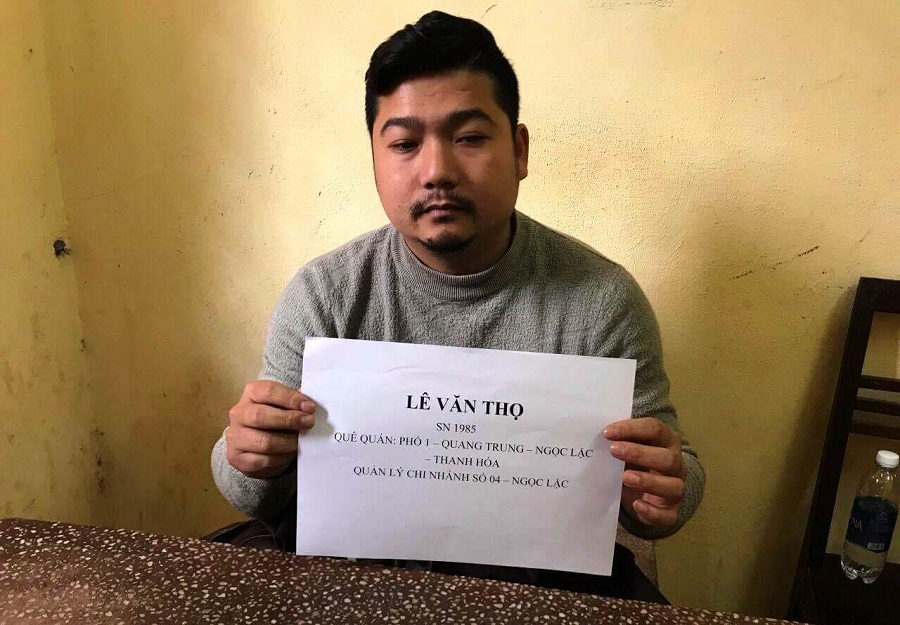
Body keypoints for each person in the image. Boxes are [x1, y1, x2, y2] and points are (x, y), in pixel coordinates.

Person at [211, 10, 704, 600]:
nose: (437, 171)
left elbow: (669, 482)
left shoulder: (601, 300)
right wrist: (248, 457)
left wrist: (663, 489)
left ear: (519, 151)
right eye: (404, 144)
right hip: (355, 579)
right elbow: (252, 489)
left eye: (469, 137)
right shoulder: (327, 294)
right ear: (375, 161)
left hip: (535, 588)